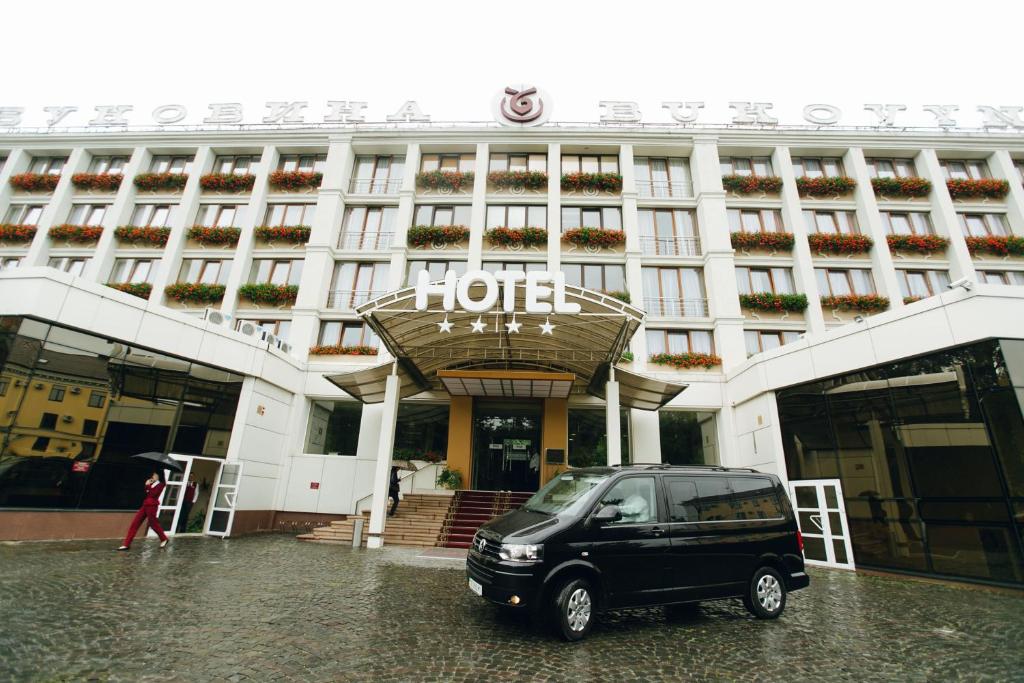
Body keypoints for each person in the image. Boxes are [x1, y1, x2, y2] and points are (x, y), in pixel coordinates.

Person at [117, 471, 169, 551]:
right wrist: (148, 485)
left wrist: (147, 486)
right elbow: (148, 494)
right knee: (135, 523)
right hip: (145, 505)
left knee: (153, 524)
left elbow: (152, 494)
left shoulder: (161, 485)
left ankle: (164, 538)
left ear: (159, 476)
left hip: (152, 506)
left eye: (155, 475)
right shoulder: (153, 483)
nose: (153, 476)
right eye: (153, 474)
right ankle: (126, 544)